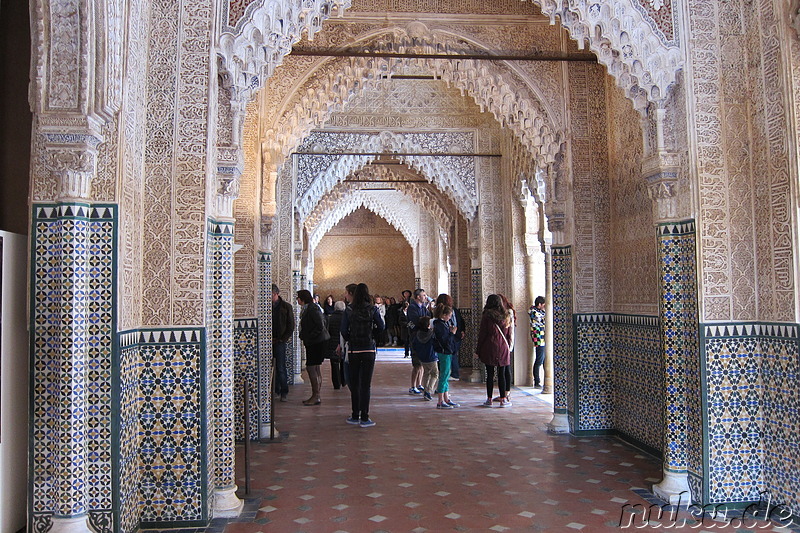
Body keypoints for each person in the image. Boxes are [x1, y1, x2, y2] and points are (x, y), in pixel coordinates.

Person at [340, 283, 385, 427]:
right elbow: (381, 326)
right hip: (369, 349)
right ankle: (365, 417)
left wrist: (350, 339)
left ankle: (355, 415)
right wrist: (372, 336)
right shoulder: (372, 309)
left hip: (354, 349)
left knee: (355, 383)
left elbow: (343, 330)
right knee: (366, 384)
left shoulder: (349, 310)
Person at [476, 294, 513, 407]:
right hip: (503, 347)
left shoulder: (486, 316)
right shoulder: (506, 315)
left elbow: (483, 333)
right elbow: (509, 334)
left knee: (490, 374)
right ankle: (503, 399)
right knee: (501, 374)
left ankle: (489, 399)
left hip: (490, 346)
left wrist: (478, 349)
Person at [297, 289, 329, 406]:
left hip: (316, 342)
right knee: (315, 368)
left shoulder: (312, 308)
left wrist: (309, 337)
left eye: (298, 297)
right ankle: (316, 395)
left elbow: (320, 324)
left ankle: (316, 395)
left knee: (311, 367)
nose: (297, 300)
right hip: (315, 342)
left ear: (303, 298)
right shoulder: (309, 308)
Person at [432, 303, 459, 409]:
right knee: (443, 376)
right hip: (444, 352)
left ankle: (446, 398)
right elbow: (445, 340)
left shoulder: (443, 324)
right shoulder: (440, 325)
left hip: (447, 352)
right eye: (449, 315)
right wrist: (452, 333)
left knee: (446, 375)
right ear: (443, 315)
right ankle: (440, 401)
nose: (450, 317)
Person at [271, 284, 295, 402]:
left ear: (276, 294)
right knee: (269, 367)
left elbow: (291, 325)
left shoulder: (286, 307)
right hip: (268, 342)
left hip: (280, 341)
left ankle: (283, 391)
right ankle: (274, 390)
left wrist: (283, 339)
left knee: (280, 367)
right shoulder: (266, 307)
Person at [406, 288, 431, 394]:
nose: (425, 297)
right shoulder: (412, 307)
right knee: (416, 364)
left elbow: (428, 318)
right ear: (418, 297)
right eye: (423, 295)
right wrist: (422, 321)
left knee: (421, 363)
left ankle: (419, 384)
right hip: (415, 337)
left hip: (423, 336)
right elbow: (414, 321)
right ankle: (412, 386)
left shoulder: (424, 307)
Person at [435, 293, 465, 380]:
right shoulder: (455, 310)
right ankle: (453, 373)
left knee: (449, 355)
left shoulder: (443, 311)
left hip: (450, 335)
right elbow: (461, 321)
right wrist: (462, 331)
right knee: (453, 354)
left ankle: (452, 374)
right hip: (456, 335)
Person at [411, 316, 437, 401]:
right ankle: (428, 391)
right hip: (431, 356)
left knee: (426, 373)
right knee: (435, 374)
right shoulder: (431, 334)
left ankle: (425, 389)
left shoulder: (418, 334)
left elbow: (414, 345)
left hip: (422, 357)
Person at [495, 294, 516, 402]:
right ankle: (505, 394)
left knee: (505, 370)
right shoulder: (505, 312)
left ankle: (505, 394)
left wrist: (510, 345)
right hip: (506, 345)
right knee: (505, 369)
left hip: (505, 345)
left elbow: (510, 331)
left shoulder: (508, 313)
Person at [326, 301, 347, 389]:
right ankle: (344, 381)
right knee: (343, 363)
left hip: (332, 343)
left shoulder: (330, 318)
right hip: (343, 343)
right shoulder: (346, 317)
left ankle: (336, 384)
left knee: (334, 364)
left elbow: (328, 331)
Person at [529, 296, 546, 389]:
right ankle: (537, 381)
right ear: (539, 304)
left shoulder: (538, 311)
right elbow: (543, 318)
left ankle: (541, 380)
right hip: (539, 337)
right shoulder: (534, 312)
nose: (544, 307)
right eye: (543, 305)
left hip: (542, 337)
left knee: (543, 359)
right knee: (539, 359)